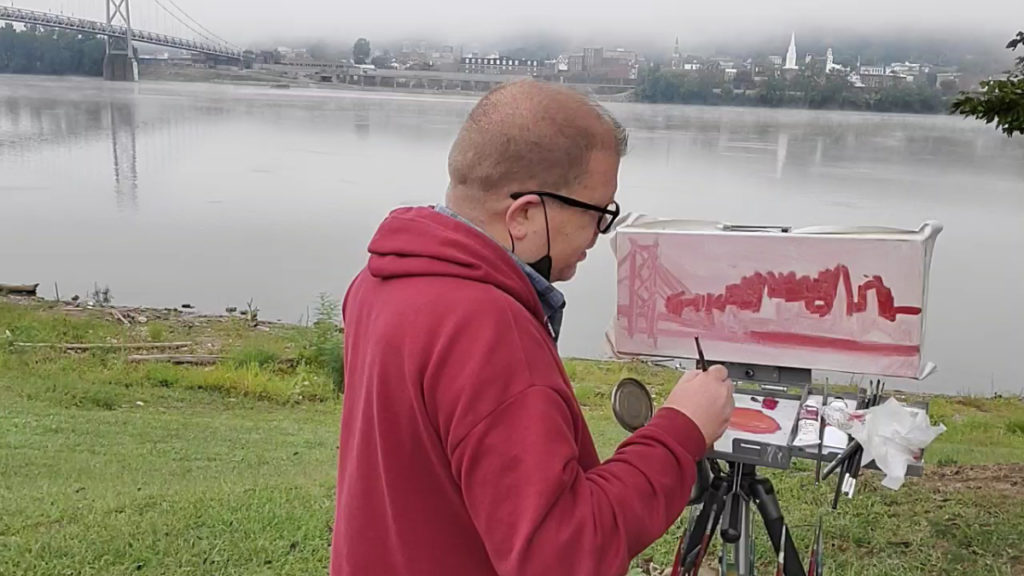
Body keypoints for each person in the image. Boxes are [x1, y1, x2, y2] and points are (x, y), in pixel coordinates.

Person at [330, 79, 735, 576]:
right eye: (597, 214)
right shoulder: (488, 329)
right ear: (523, 215)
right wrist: (681, 431)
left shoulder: (380, 281)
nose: (598, 235)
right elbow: (562, 555)